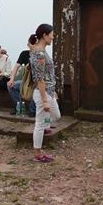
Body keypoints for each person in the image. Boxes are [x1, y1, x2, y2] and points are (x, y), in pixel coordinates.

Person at [30, 24, 61, 163]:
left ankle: (44, 127)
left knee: (56, 115)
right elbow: (39, 78)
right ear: (44, 35)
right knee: (40, 124)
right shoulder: (40, 54)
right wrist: (44, 100)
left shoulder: (41, 50)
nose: (53, 38)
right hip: (42, 93)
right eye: (51, 35)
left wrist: (52, 92)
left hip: (48, 91)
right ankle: (38, 153)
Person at [6, 39, 37, 117]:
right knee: (11, 86)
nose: (34, 45)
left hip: (37, 82)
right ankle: (18, 106)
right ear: (28, 44)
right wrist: (12, 79)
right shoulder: (24, 54)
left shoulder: (41, 55)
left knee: (38, 90)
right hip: (26, 82)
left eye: (36, 43)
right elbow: (16, 66)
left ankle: (32, 109)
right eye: (32, 43)